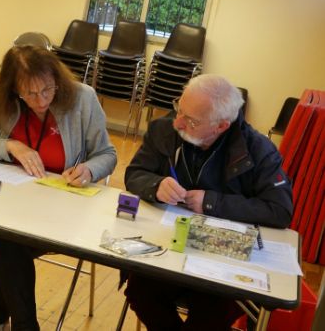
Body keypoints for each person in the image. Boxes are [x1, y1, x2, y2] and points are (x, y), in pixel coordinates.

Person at [0, 45, 117, 331]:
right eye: (30, 94)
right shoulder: (0, 99)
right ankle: (6, 320)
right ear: (14, 89)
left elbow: (107, 154)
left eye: (47, 89)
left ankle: (6, 319)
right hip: (7, 204)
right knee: (3, 245)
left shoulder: (82, 98)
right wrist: (10, 146)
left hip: (61, 212)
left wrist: (89, 169)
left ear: (57, 80)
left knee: (2, 247)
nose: (41, 99)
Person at [124, 74, 293, 331]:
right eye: (179, 109)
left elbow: (279, 210)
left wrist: (212, 202)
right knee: (140, 291)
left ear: (221, 126)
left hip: (225, 262)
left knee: (211, 313)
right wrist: (156, 186)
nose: (178, 122)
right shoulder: (164, 130)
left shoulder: (259, 151)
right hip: (167, 248)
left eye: (191, 120)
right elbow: (135, 173)